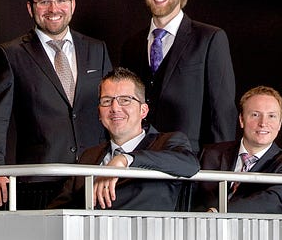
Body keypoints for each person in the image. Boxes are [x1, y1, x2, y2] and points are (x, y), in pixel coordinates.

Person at [0, 0, 111, 209]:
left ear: (72, 5)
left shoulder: (97, 49)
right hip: (40, 184)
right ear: (30, 8)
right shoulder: (11, 54)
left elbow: (113, 110)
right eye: (44, 2)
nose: (53, 9)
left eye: (61, 0)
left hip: (94, 182)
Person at [119, 0, 236, 152]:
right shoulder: (131, 46)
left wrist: (217, 166)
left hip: (190, 161)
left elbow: (222, 112)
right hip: (138, 159)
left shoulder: (210, 39)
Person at [50, 67, 197, 211]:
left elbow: (190, 165)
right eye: (107, 101)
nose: (115, 108)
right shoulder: (89, 156)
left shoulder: (167, 142)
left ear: (143, 110)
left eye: (125, 100)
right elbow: (58, 209)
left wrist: (125, 159)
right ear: (99, 113)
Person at [198, 86, 282, 213]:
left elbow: (271, 203)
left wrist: (216, 214)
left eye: (271, 116)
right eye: (255, 115)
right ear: (241, 120)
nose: (263, 123)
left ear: (280, 123)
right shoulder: (210, 154)